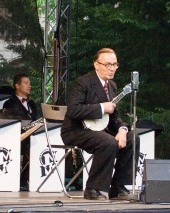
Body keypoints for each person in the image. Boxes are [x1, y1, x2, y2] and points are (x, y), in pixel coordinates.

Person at [60, 48, 140, 200]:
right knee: (108, 142)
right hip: (76, 130)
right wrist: (102, 107)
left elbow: (115, 114)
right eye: (107, 64)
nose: (112, 68)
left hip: (100, 129)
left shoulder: (112, 86)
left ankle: (118, 186)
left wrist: (123, 129)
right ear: (96, 65)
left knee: (132, 138)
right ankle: (92, 189)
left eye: (115, 64)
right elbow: (73, 110)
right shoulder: (82, 82)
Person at [0, 73, 38, 189]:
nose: (29, 86)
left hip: (31, 136)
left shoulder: (32, 103)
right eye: (26, 83)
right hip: (17, 138)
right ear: (17, 85)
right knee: (29, 148)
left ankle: (33, 179)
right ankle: (23, 180)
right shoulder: (9, 103)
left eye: (30, 83)